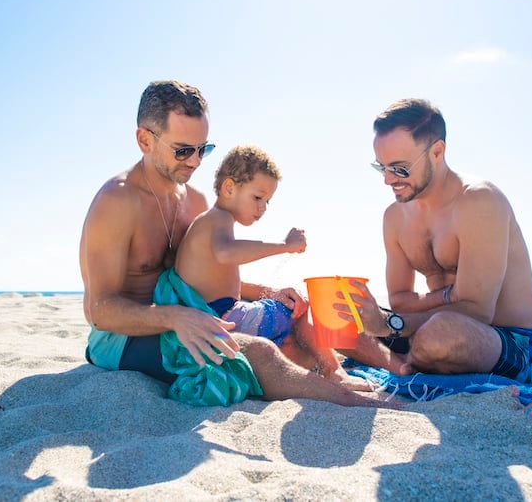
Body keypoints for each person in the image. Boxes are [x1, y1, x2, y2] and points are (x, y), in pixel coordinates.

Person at [79, 79, 392, 408]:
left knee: (300, 324)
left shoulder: (194, 201)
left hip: (191, 317)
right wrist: (175, 317)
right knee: (257, 352)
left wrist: (269, 293)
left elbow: (206, 278)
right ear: (145, 139)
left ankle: (397, 366)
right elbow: (98, 311)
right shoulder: (117, 202)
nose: (196, 161)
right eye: (183, 150)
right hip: (123, 339)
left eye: (204, 149)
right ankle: (366, 405)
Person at [338, 98, 532, 384]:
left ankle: (399, 363)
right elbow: (400, 300)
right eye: (381, 167)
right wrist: (444, 297)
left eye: (399, 168)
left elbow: (478, 310)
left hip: (509, 339)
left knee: (440, 334)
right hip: (428, 328)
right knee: (335, 321)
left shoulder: (478, 201)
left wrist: (389, 324)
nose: (387, 180)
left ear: (436, 152)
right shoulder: (395, 217)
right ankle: (405, 365)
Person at [175, 144, 370, 388]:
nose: (263, 208)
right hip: (221, 316)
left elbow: (228, 280)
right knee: (297, 310)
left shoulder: (211, 224)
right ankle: (334, 372)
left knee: (295, 343)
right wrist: (284, 245)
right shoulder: (218, 219)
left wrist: (271, 292)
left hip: (218, 316)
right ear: (229, 188)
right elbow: (226, 254)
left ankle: (322, 367)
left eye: (268, 201)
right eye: (257, 197)